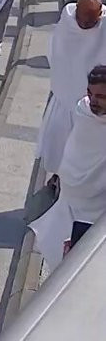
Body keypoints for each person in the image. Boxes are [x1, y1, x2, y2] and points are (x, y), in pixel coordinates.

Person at [31, 66, 106, 272]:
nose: (93, 101)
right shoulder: (83, 110)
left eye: (101, 96)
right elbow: (76, 150)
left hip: (97, 212)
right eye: (90, 93)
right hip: (70, 200)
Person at [37, 0, 106, 185]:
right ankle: (58, 177)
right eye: (81, 19)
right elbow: (55, 50)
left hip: (92, 105)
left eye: (90, 22)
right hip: (64, 98)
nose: (83, 25)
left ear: (100, 15)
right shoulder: (68, 18)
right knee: (58, 143)